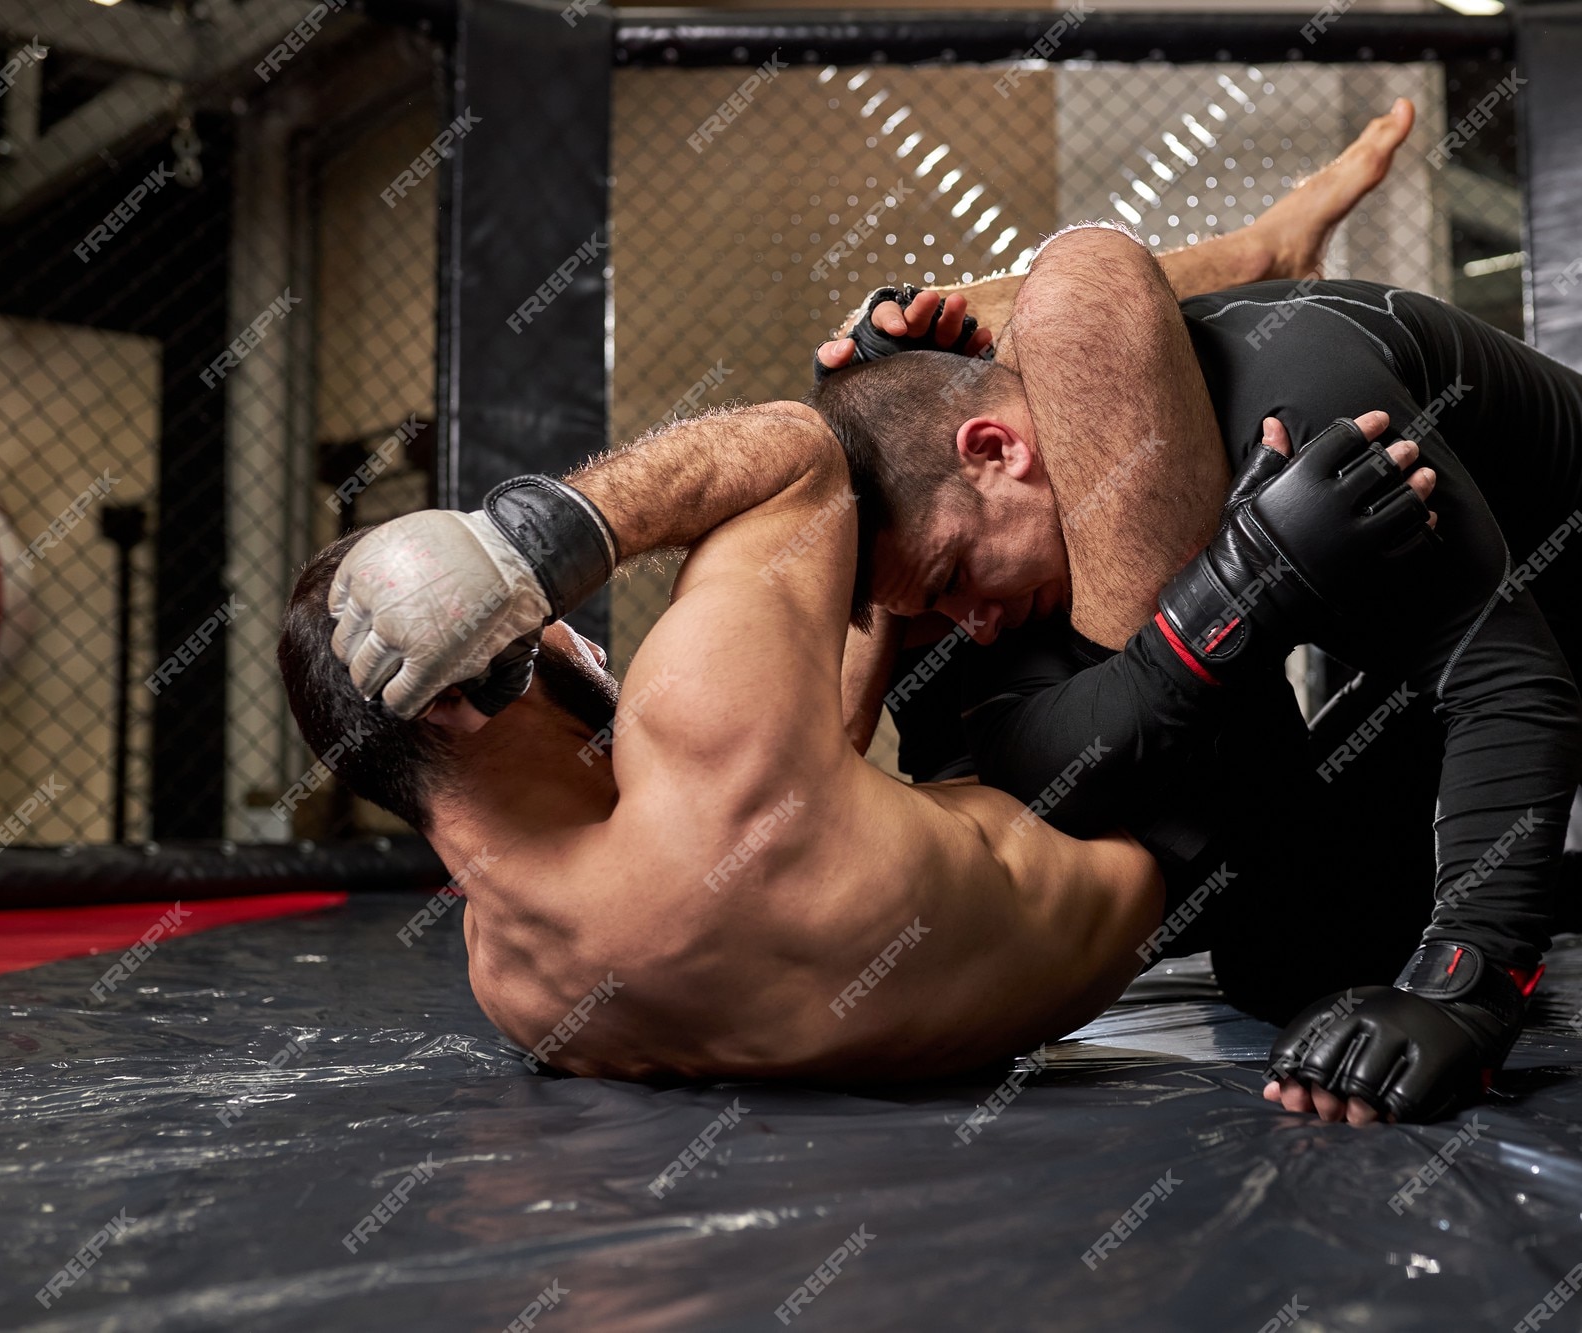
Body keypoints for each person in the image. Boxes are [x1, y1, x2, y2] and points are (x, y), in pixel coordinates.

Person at [281, 117, 1437, 1081]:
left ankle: (988, 371)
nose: (571, 637)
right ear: (461, 685)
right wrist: (529, 541)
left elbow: (809, 759)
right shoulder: (697, 738)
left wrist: (882, 446)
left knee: (898, 445)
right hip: (1174, 797)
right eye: (525, 628)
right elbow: (790, 454)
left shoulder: (513, 982)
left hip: (999, 808)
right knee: (1074, 288)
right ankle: (1260, 252)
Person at [805, 214, 1582, 1126]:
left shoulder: (1305, 405)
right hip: (1420, 628)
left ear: (996, 450)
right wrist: (1231, 590)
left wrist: (1463, 983)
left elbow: (1514, 685)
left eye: (957, 572)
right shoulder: (1056, 514)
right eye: (937, 606)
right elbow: (1027, 758)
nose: (974, 619)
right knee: (1289, 959)